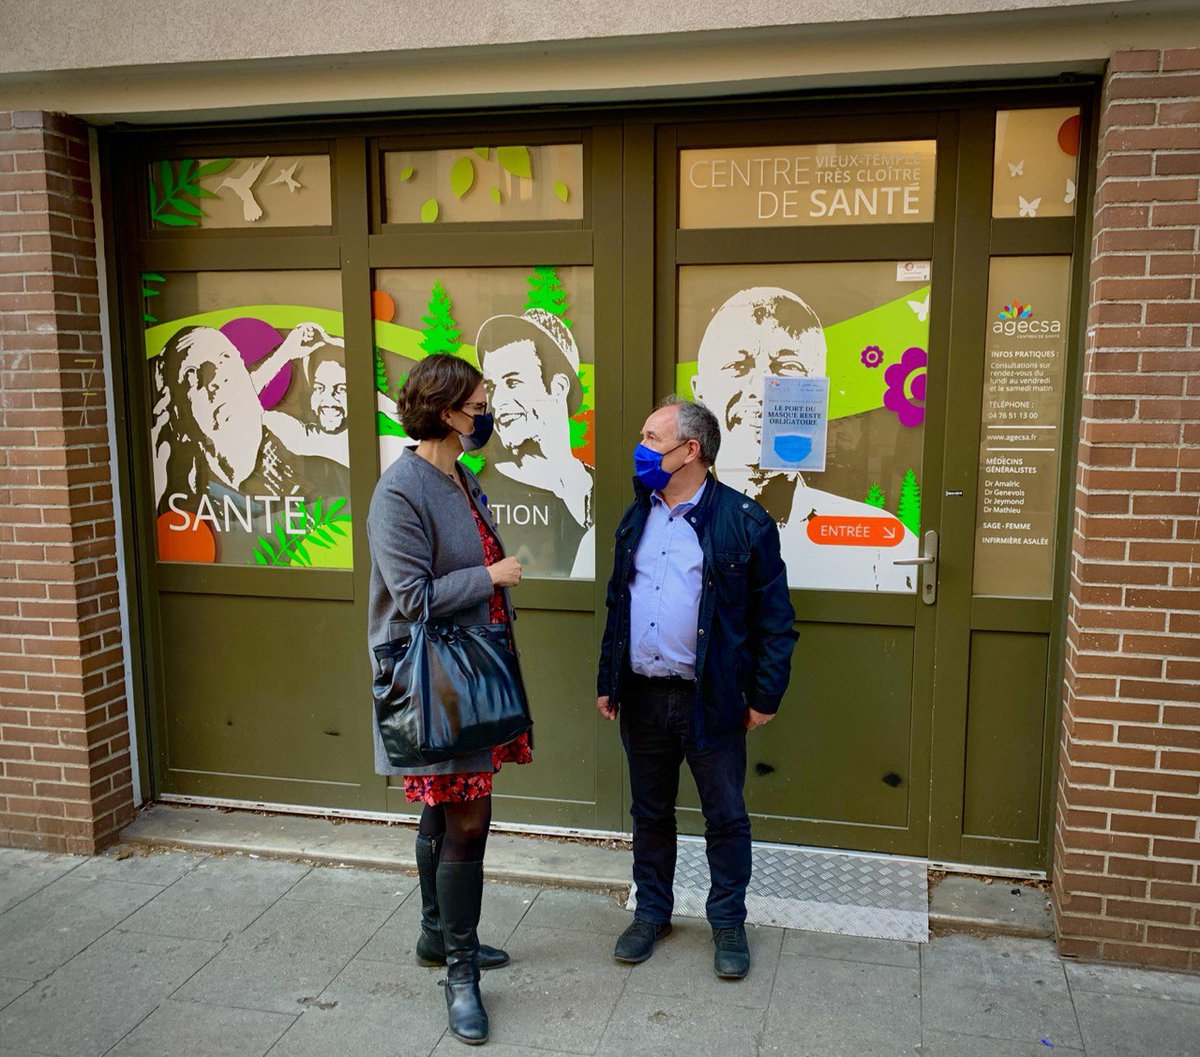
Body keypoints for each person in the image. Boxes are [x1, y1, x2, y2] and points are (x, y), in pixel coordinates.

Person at [596, 396, 798, 980]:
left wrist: (764, 697)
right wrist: (608, 679)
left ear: (692, 450)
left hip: (710, 699)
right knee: (650, 813)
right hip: (642, 694)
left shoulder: (745, 521)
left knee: (725, 815)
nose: (641, 448)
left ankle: (728, 922)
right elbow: (618, 604)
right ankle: (652, 911)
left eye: (652, 438)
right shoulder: (638, 513)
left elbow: (775, 621)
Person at [366, 353, 529, 1046]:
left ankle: (438, 935)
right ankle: (461, 974)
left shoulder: (458, 476)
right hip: (436, 680)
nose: (487, 413)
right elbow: (413, 598)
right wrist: (491, 574)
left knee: (443, 810)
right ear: (446, 410)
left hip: (472, 673)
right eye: (479, 402)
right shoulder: (399, 490)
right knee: (466, 821)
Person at [691, 287, 918, 592]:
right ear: (700, 392)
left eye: (787, 368)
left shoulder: (884, 550)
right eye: (736, 367)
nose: (762, 389)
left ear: (819, 392)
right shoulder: (666, 530)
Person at [150, 324, 346, 516]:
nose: (217, 382)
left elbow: (242, 392)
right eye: (193, 376)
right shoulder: (193, 489)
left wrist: (286, 352)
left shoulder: (296, 455)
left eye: (227, 362)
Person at [475, 308, 595, 578]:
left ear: (559, 388)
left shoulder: (597, 486)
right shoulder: (482, 486)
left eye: (513, 382)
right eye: (492, 387)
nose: (498, 402)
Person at [249, 321, 350, 467]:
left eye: (341, 389)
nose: (328, 400)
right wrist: (285, 353)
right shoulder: (307, 439)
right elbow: (240, 403)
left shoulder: (386, 431)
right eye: (319, 388)